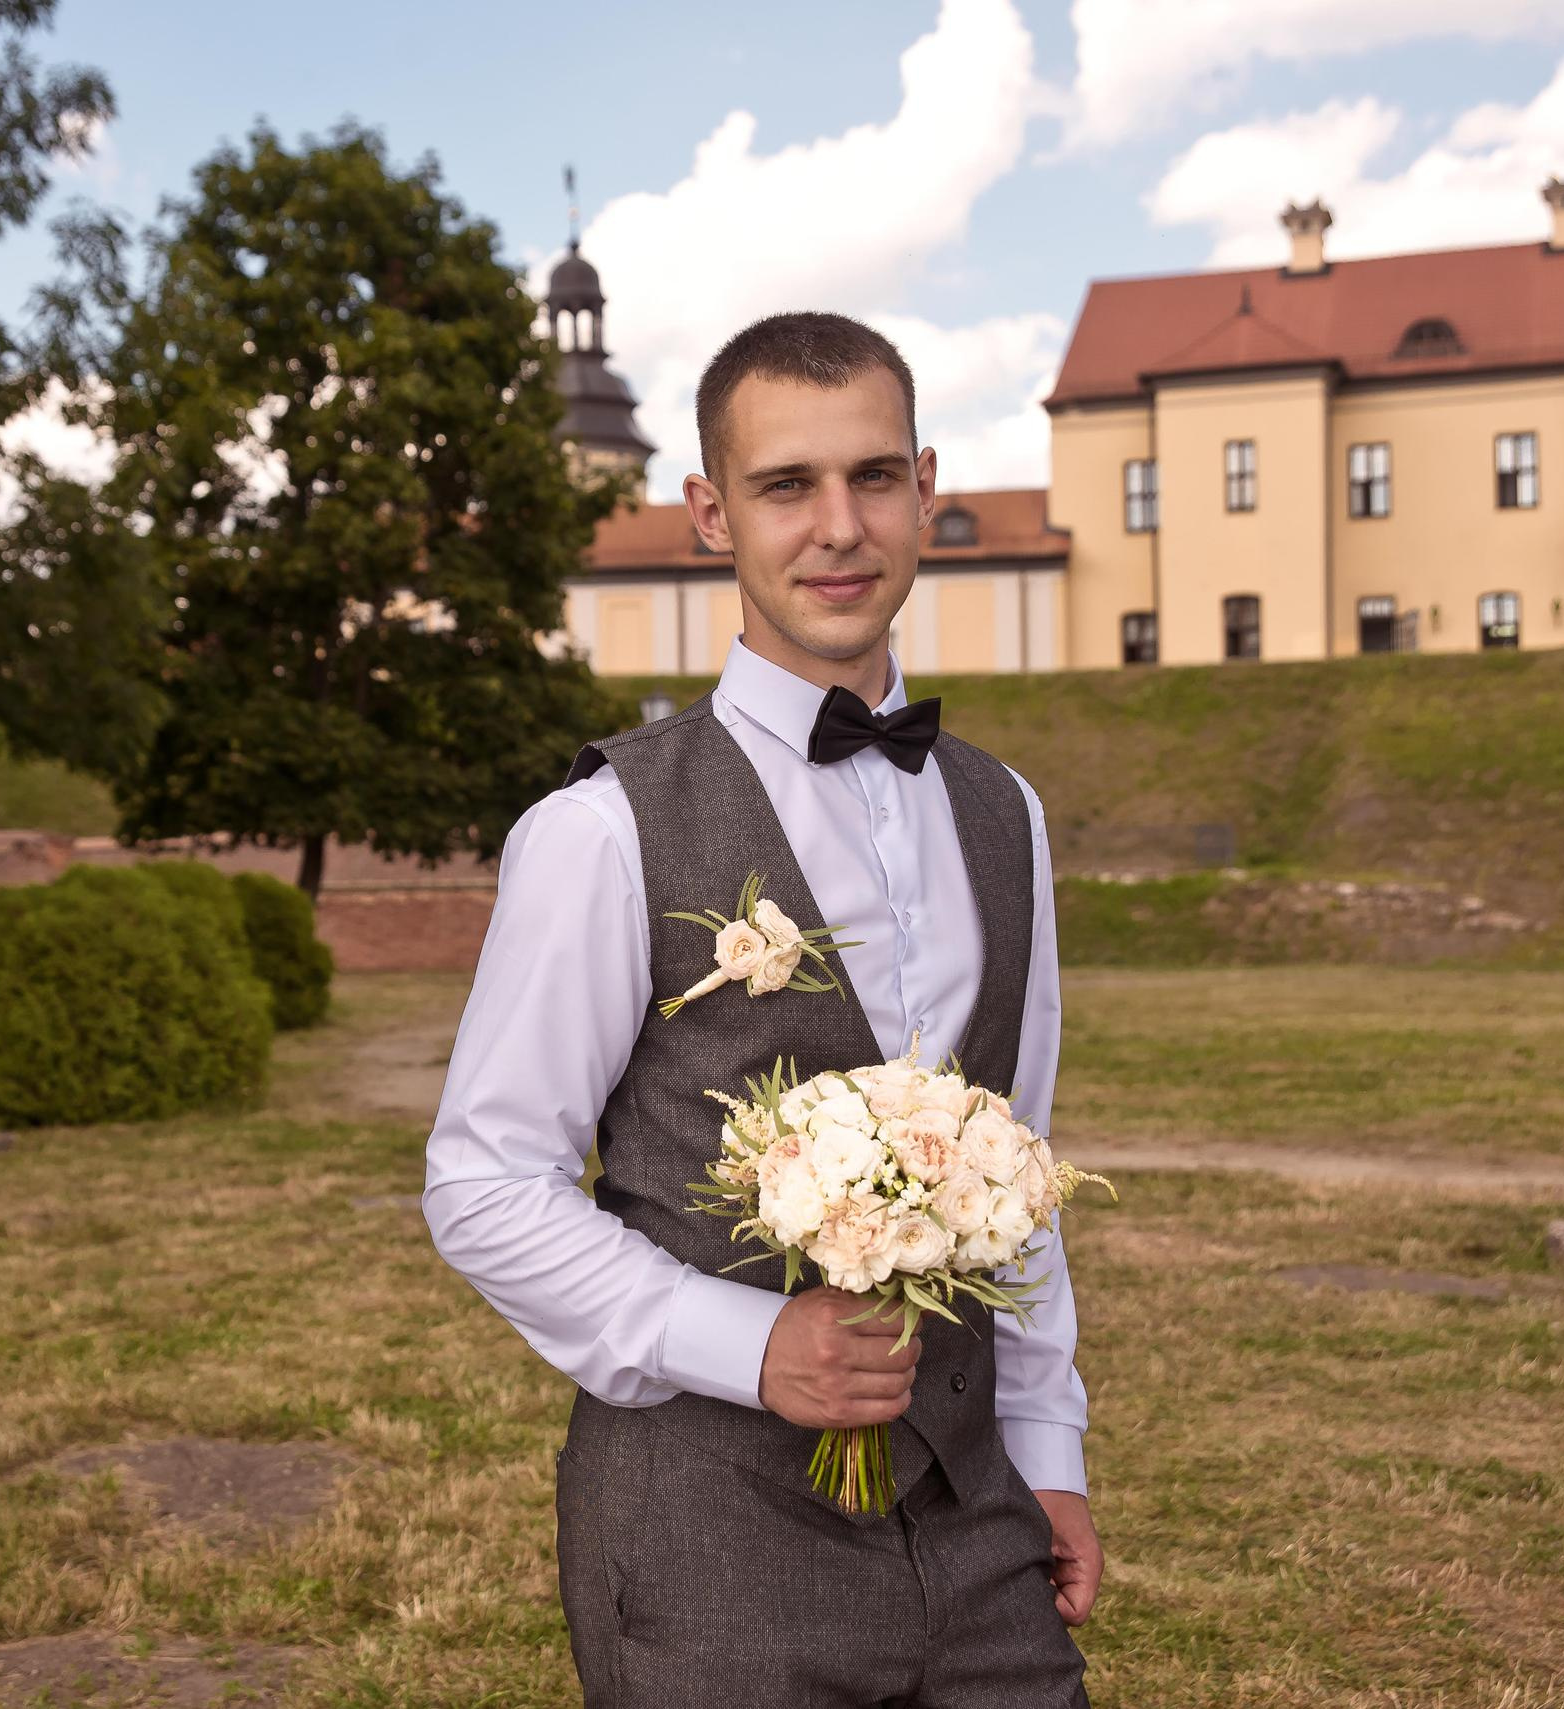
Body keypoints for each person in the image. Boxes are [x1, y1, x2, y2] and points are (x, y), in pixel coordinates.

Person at [425, 313, 1096, 1706]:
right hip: (707, 1525)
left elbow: (1015, 1166)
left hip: (975, 1519)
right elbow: (485, 1183)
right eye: (788, 486)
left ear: (924, 485)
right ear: (710, 512)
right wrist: (748, 1343)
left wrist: (1048, 1453)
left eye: (873, 479)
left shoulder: (1003, 811)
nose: (838, 529)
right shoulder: (603, 827)